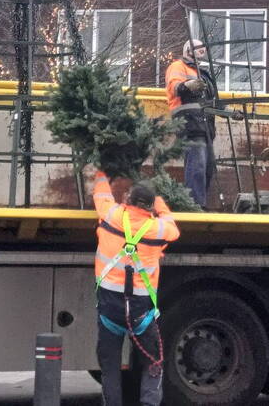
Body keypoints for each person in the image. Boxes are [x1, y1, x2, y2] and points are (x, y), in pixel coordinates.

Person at [93, 171, 180, 406]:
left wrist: (102, 173)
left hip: (110, 308)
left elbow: (101, 197)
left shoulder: (112, 215)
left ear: (127, 201)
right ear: (150, 208)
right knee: (152, 363)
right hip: (141, 311)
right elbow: (173, 227)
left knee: (110, 367)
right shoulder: (157, 229)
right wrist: (160, 202)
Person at [165, 39, 218, 208]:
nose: (201, 54)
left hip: (204, 125)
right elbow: (175, 87)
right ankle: (195, 204)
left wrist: (230, 112)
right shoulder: (178, 66)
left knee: (208, 167)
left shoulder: (203, 73)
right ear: (189, 50)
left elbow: (212, 100)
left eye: (203, 51)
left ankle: (198, 203)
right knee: (197, 165)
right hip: (189, 122)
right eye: (199, 50)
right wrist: (187, 85)